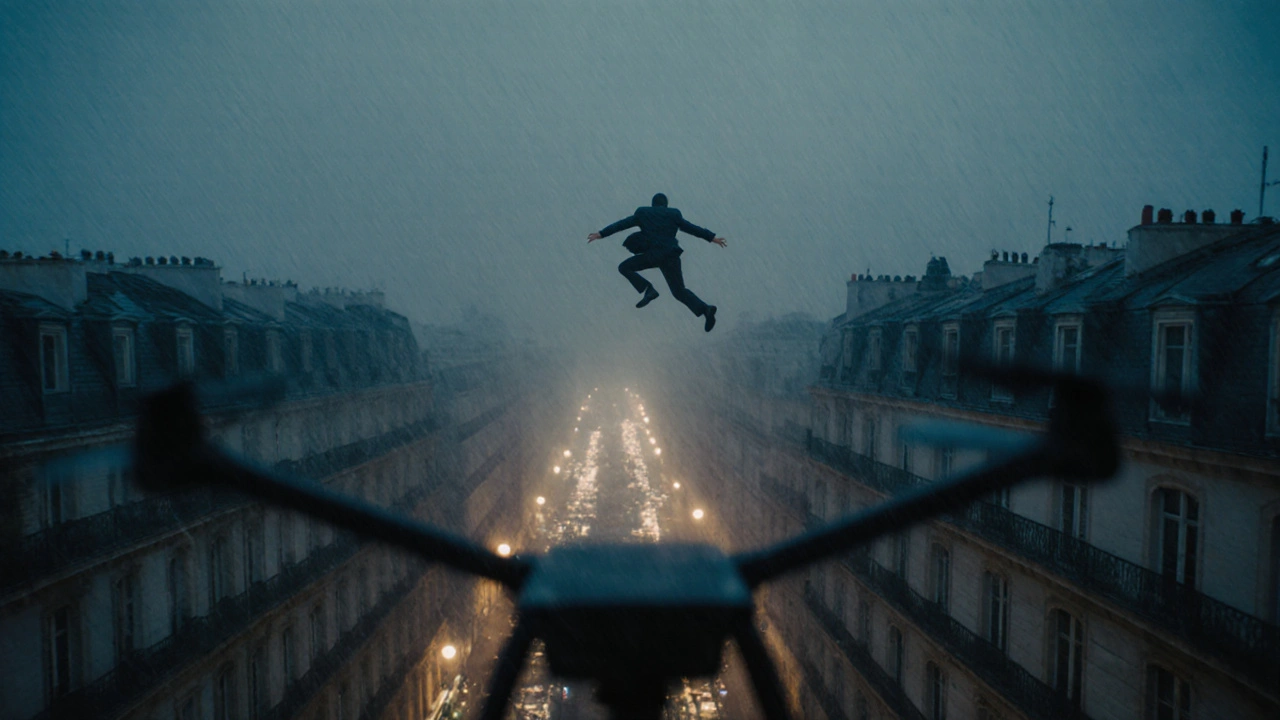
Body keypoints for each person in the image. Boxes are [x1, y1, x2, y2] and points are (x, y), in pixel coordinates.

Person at [588, 193, 728, 332]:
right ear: (665, 204)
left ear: (653, 203)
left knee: (624, 267)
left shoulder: (643, 213)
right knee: (679, 291)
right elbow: (691, 228)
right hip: (671, 256)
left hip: (653, 255)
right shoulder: (674, 215)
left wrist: (601, 233)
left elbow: (622, 224)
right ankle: (705, 309)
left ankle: (648, 289)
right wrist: (712, 238)